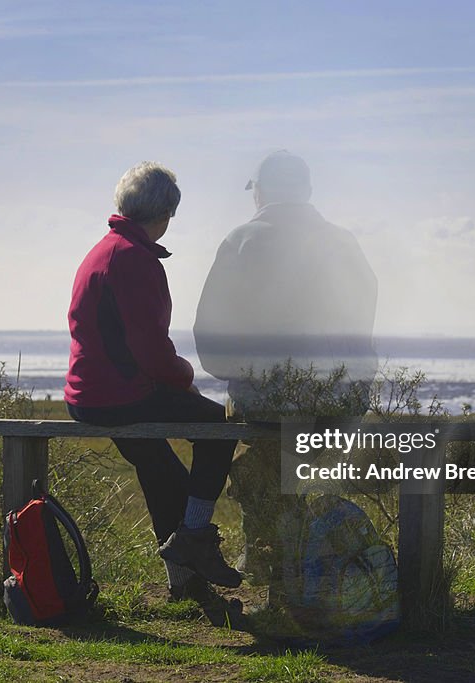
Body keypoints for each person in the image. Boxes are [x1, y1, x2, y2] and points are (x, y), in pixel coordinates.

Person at [194, 150, 378, 597]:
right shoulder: (343, 241)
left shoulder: (241, 240)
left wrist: (235, 371)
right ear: (308, 191)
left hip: (267, 402)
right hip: (343, 400)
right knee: (290, 461)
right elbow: (363, 316)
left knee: (262, 458)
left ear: (258, 191)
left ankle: (272, 560)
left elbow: (209, 334)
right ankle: (301, 555)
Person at [65, 161, 241, 598]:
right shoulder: (134, 260)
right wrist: (184, 379)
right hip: (118, 395)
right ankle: (194, 537)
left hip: (88, 393)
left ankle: (186, 586)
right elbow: (150, 349)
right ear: (164, 215)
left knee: (162, 471)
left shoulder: (104, 249)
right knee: (219, 427)